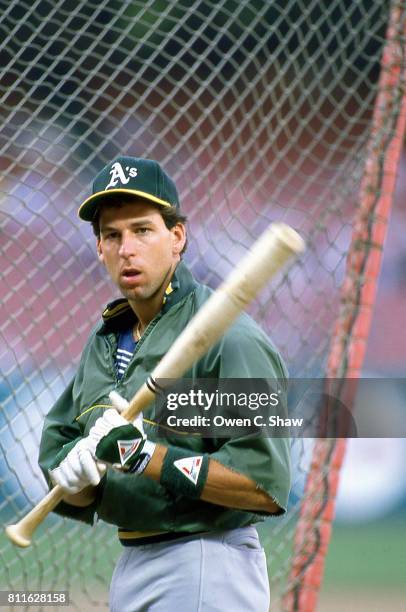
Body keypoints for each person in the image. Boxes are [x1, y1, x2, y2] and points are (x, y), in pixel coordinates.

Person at [38, 156, 291, 612]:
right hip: (133, 559)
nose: (126, 249)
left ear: (177, 238)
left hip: (206, 561)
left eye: (142, 230)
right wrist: (77, 478)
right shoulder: (105, 343)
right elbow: (67, 456)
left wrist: (144, 456)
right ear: (98, 248)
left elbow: (262, 483)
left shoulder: (230, 339)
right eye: (112, 236)